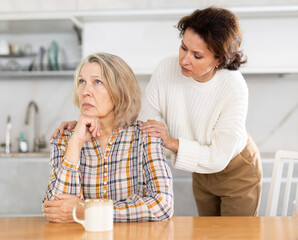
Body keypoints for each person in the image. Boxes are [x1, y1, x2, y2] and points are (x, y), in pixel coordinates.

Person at [52, 7, 262, 216]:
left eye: (197, 56)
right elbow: (145, 120)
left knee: (237, 233)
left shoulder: (233, 86)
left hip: (235, 167)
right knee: (207, 233)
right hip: (200, 170)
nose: (184, 60)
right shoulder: (167, 69)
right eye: (183, 47)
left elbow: (218, 157)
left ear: (219, 60)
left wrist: (171, 142)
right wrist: (87, 121)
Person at [42, 52, 173, 223]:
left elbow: (163, 205)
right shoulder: (65, 138)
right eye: (82, 82)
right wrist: (75, 143)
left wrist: (86, 210)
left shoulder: (146, 137)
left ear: (120, 90)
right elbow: (55, 209)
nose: (85, 91)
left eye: (97, 82)